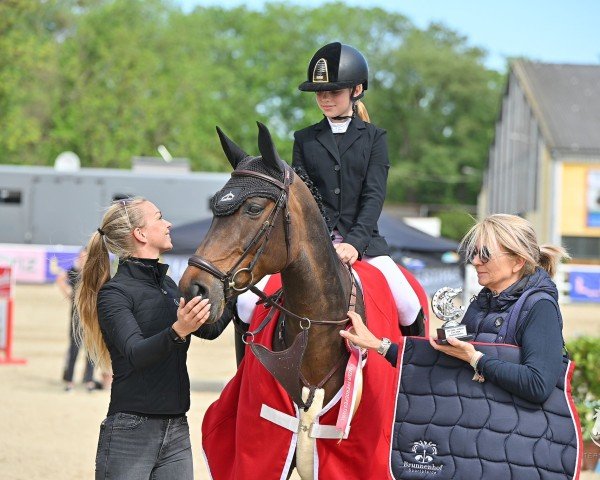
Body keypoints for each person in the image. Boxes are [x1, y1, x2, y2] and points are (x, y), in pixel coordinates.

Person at [237, 42, 423, 335]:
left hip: (364, 242)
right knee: (246, 304)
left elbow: (374, 195)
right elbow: (304, 194)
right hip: (312, 241)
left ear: (356, 90)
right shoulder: (305, 139)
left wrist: (354, 243)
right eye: (320, 93)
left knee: (409, 305)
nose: (324, 98)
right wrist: (322, 240)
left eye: (333, 92)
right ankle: (248, 370)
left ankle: (410, 375)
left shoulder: (375, 138)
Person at [75, 197, 232, 479]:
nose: (168, 223)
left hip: (177, 429)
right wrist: (178, 331)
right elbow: (135, 353)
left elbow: (209, 329)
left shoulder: (169, 285)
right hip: (130, 431)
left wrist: (236, 291)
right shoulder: (115, 294)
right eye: (159, 217)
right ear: (141, 234)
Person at [341, 213, 570, 403]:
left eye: (485, 254)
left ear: (518, 262)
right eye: (474, 253)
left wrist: (476, 359)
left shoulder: (540, 307)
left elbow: (538, 385)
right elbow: (441, 354)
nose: (476, 261)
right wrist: (378, 344)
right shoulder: (481, 303)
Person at [57, 247, 99, 392]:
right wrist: (68, 294)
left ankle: (89, 381)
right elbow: (60, 278)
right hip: (76, 317)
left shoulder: (95, 274)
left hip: (92, 318)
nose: (83, 260)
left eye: (85, 257)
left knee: (91, 350)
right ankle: (69, 381)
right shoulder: (73, 271)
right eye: (81, 257)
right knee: (74, 349)